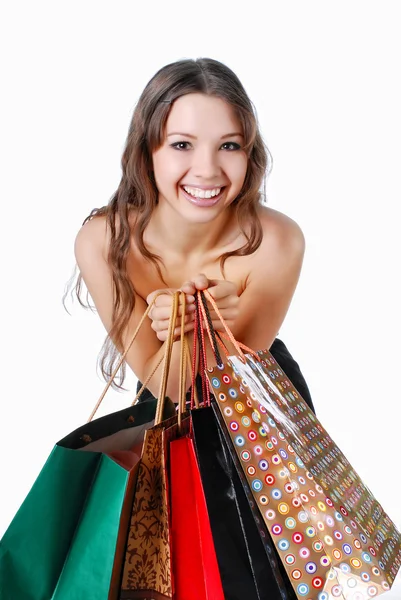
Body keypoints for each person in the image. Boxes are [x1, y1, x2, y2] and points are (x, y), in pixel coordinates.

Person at [70, 57, 315, 415]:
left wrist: (200, 324)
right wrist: (194, 323)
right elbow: (165, 389)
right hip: (167, 408)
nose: (207, 170)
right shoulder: (103, 242)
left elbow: (227, 385)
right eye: (182, 145)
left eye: (229, 146)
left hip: (261, 414)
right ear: (146, 151)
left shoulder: (277, 241)